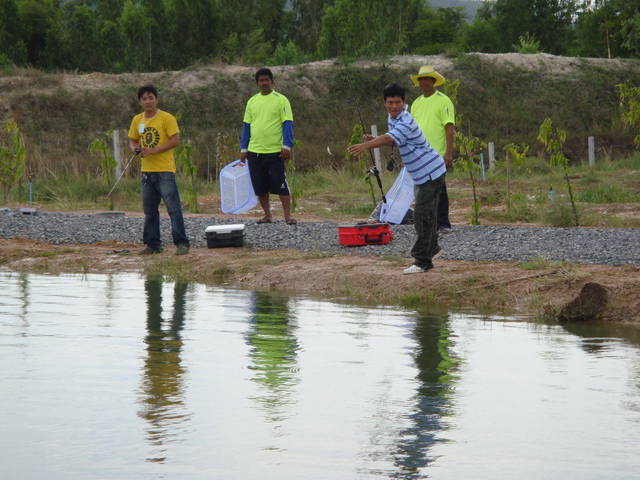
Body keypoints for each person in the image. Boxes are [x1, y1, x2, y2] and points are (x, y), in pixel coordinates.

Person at [348, 83, 446, 274]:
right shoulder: (392, 118)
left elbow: (386, 139)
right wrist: (373, 139)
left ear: (404, 102)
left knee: (422, 215)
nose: (394, 106)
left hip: (430, 171)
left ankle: (422, 261)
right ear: (384, 103)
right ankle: (432, 248)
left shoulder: (406, 121)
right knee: (425, 214)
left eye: (398, 102)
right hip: (419, 173)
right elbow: (392, 140)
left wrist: (365, 146)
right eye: (390, 102)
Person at [128, 84, 190, 255]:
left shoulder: (167, 118)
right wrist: (134, 149)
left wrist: (154, 150)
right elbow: (133, 140)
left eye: (150, 98)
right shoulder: (137, 120)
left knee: (173, 208)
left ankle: (182, 243)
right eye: (144, 99)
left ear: (156, 99)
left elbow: (174, 141)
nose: (148, 102)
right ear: (140, 102)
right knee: (149, 210)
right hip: (146, 171)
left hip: (165, 170)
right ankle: (153, 244)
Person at [240, 67, 297, 225]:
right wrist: (244, 149)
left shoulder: (281, 100)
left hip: (275, 152)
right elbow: (247, 127)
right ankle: (267, 215)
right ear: (257, 83)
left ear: (272, 81)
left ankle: (288, 216)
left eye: (267, 80)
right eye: (261, 80)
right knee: (260, 185)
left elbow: (287, 124)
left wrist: (287, 145)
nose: (264, 83)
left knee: (281, 183)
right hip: (255, 151)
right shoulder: (252, 101)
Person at [410, 65, 455, 234]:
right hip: (419, 153)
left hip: (437, 153)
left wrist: (448, 152)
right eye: (421, 79)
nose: (423, 82)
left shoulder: (443, 100)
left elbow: (449, 127)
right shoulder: (416, 103)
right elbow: (411, 129)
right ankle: (426, 222)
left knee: (439, 188)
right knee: (421, 188)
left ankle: (443, 223)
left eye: (426, 79)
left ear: (434, 81)